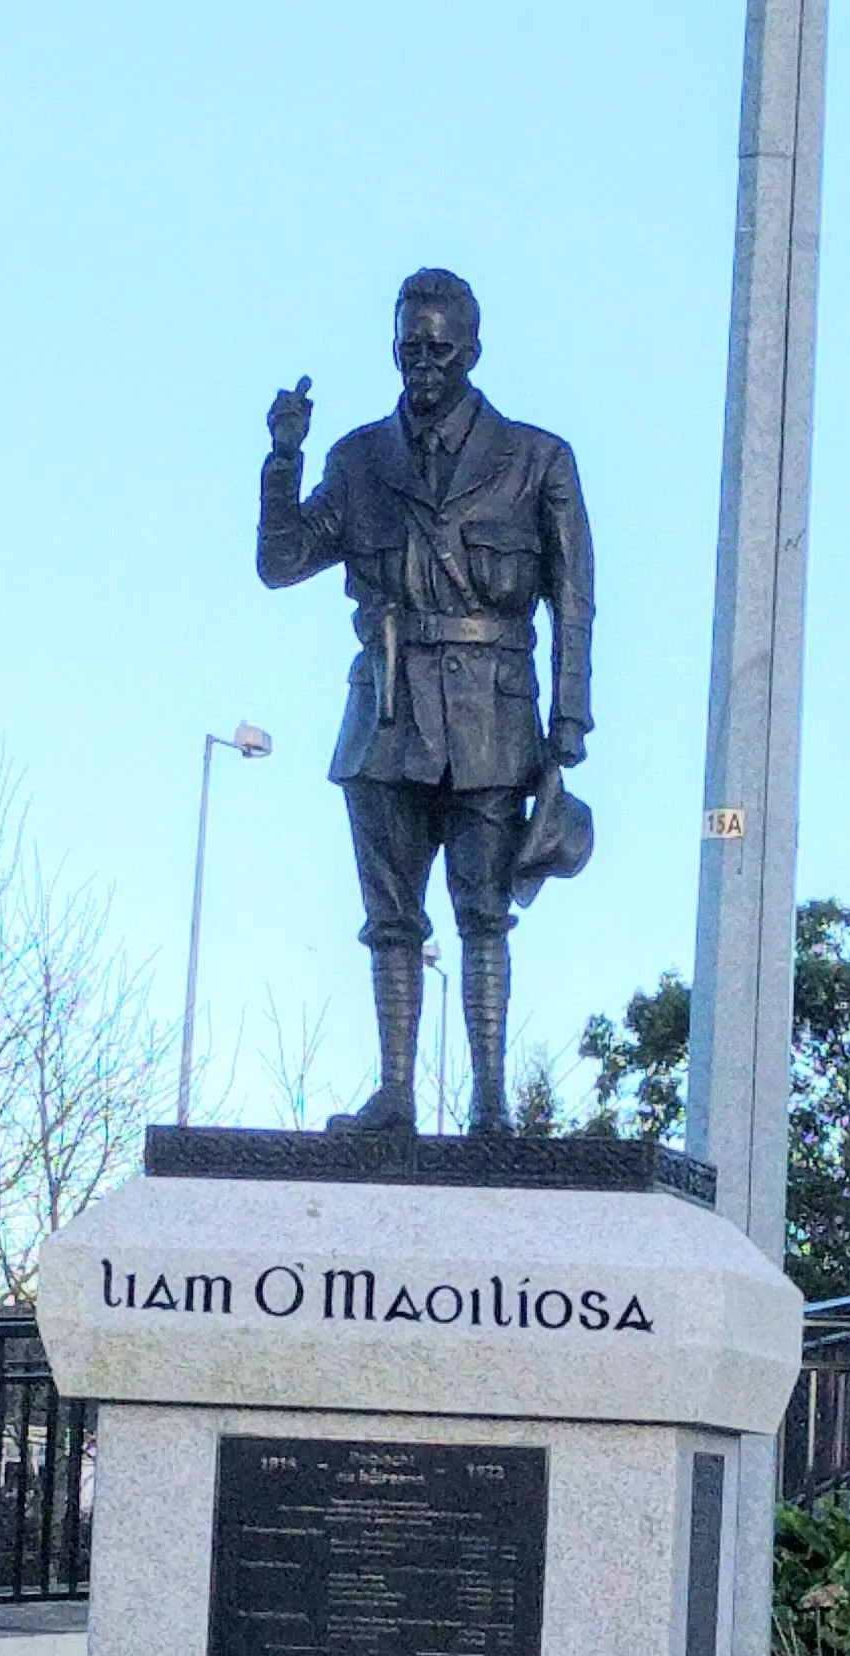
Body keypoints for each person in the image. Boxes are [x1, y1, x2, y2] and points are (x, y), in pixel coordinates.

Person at [257, 267, 594, 1135]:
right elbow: (282, 562)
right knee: (390, 918)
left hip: (492, 713)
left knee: (484, 912)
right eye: (410, 347)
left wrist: (569, 719)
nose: (424, 364)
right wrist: (284, 458)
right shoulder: (361, 459)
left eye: (439, 348)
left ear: (472, 350)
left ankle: (490, 1101)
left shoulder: (536, 459)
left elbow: (575, 595)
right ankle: (396, 1095)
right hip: (387, 716)